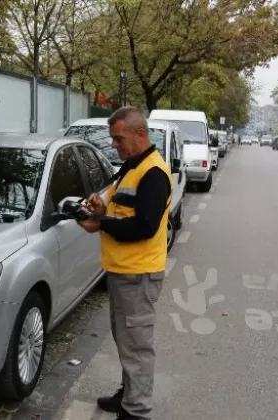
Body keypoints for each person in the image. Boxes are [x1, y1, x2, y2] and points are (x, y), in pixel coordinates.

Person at [77, 106, 172, 420]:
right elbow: (120, 202)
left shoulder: (154, 174)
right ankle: (130, 395)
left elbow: (144, 227)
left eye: (119, 139)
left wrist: (101, 224)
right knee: (126, 342)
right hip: (122, 272)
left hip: (139, 275)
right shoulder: (132, 165)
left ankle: (137, 411)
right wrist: (101, 204)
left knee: (137, 347)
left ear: (140, 134)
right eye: (113, 139)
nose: (114, 145)